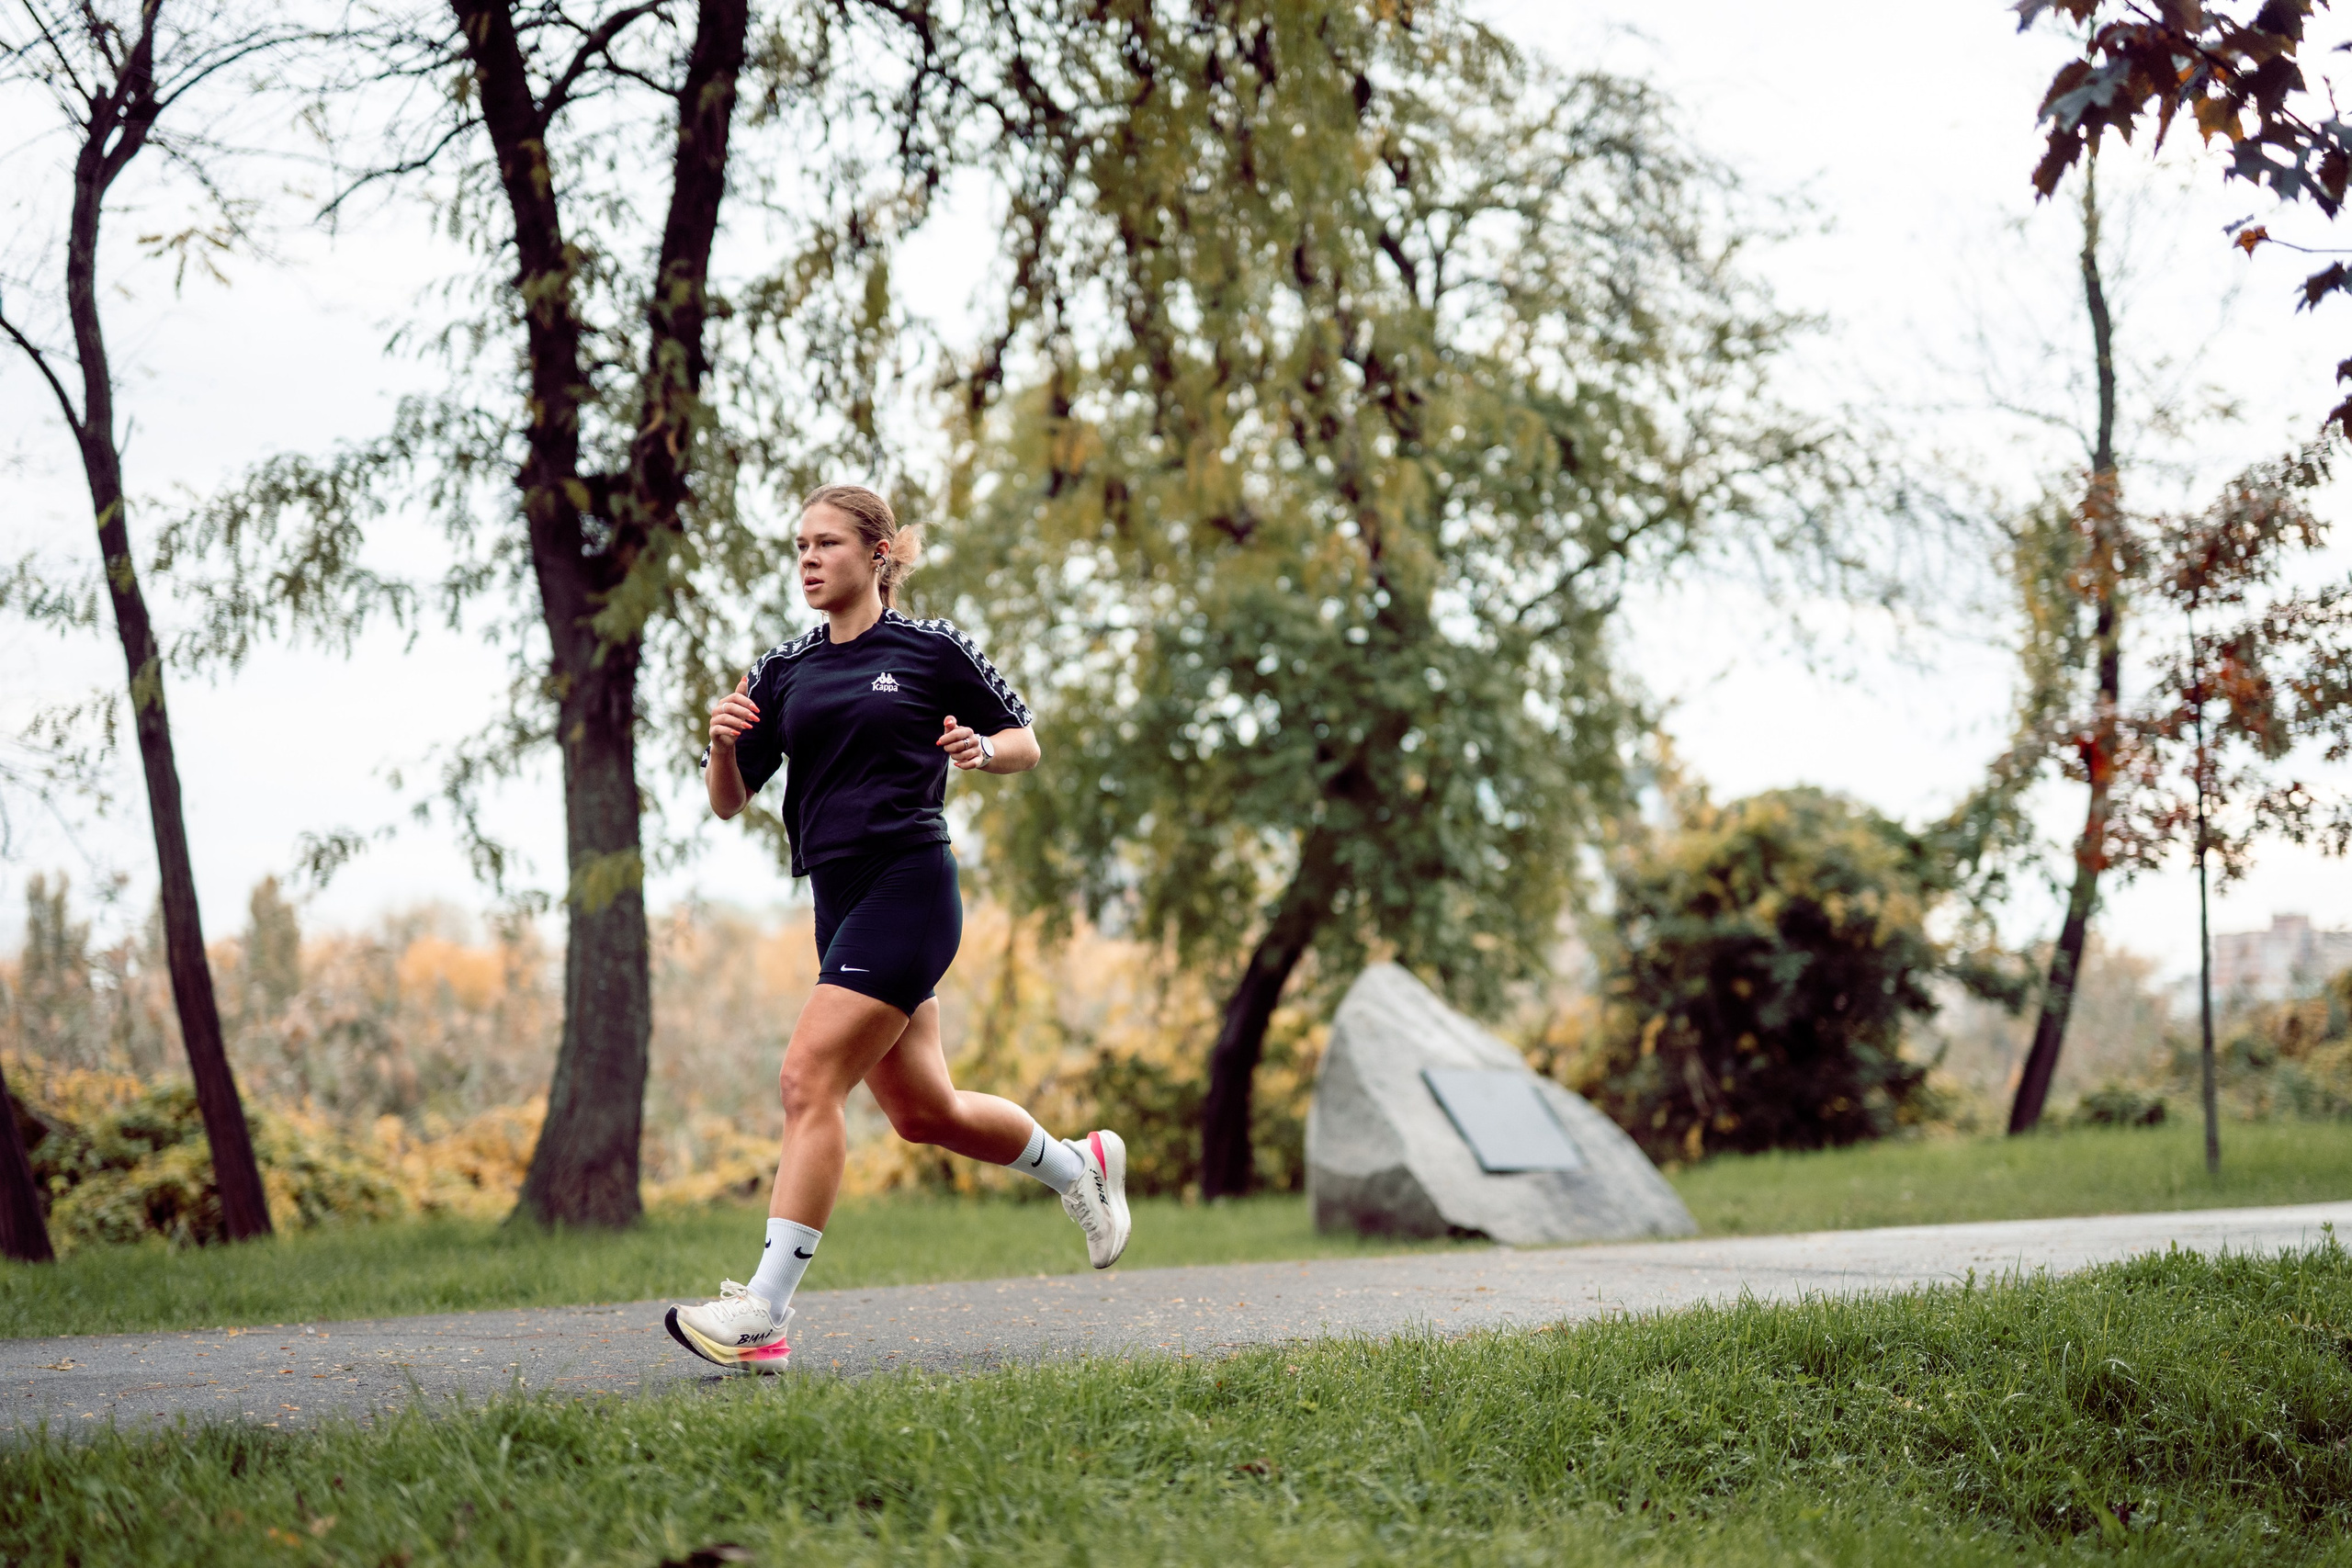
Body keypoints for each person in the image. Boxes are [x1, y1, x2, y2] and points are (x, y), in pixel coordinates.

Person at [664, 483, 1130, 1372]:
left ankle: (762, 1314)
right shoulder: (781, 668)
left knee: (807, 1081)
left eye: (827, 543)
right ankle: (1078, 1167)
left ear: (878, 553)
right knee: (925, 1113)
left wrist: (981, 751)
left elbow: (1022, 740)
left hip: (910, 883)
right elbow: (729, 804)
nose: (807, 559)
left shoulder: (929, 649)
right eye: (799, 545)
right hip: (834, 899)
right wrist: (723, 746)